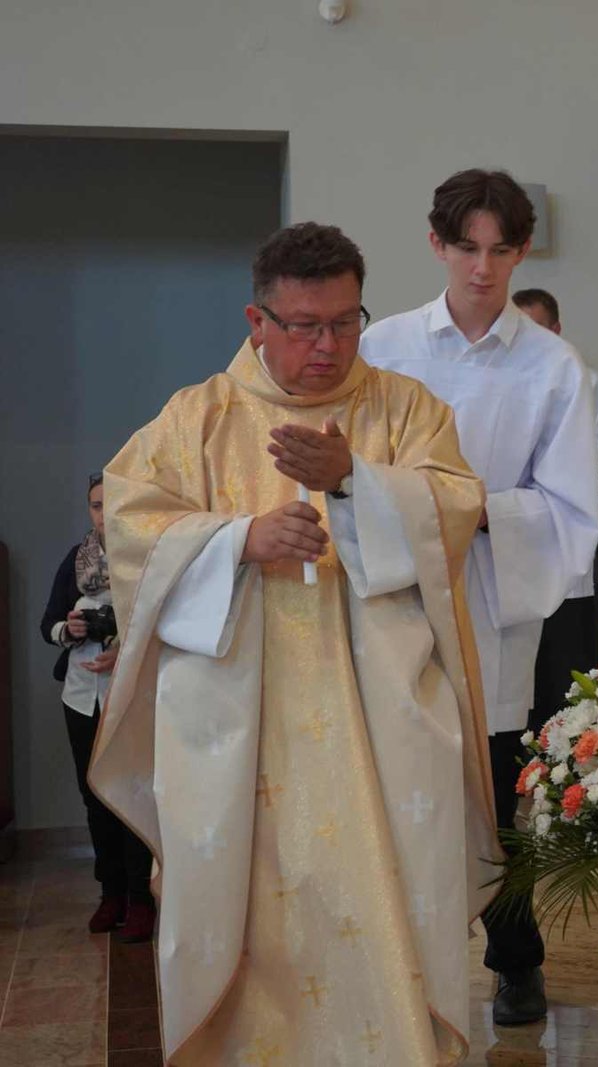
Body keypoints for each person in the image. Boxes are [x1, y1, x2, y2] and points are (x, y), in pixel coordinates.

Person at [92, 222, 497, 1065]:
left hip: (378, 724)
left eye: (346, 322)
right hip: (242, 734)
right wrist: (240, 539)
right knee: (251, 914)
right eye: (306, 325)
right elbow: (131, 526)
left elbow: (454, 508)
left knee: (384, 898)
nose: (329, 346)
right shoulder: (197, 417)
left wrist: (354, 483)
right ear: (258, 320)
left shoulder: (405, 409)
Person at [362, 171, 598, 1027]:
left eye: (501, 250)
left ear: (523, 251)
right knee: (392, 783)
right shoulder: (385, 347)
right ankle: (394, 963)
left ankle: (515, 958)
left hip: (493, 601)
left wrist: (468, 511)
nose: (482, 267)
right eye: (466, 247)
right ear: (437, 244)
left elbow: (570, 507)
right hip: (391, 595)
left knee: (496, 795)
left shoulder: (553, 365)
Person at [40, 471, 155, 941]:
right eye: (95, 505)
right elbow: (48, 624)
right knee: (94, 797)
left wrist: (124, 647)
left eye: (110, 502)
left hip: (127, 692)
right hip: (80, 696)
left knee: (131, 794)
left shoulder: (143, 558)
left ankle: (141, 898)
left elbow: (160, 624)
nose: (103, 514)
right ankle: (111, 893)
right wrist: (69, 630)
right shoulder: (76, 561)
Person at [509, 286, 598, 730]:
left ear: (557, 330)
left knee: (574, 690)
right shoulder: (497, 382)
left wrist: (560, 473)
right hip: (514, 553)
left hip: (573, 562)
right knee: (521, 692)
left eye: (538, 328)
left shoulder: (587, 382)